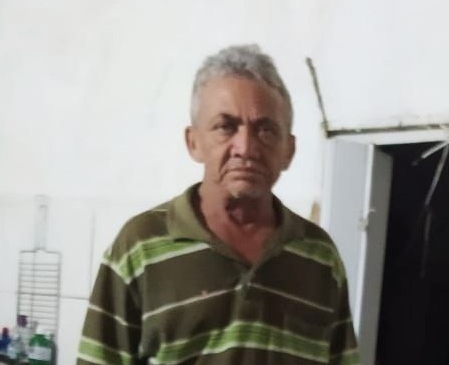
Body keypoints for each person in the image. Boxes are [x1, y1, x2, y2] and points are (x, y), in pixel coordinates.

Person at [77, 45, 360, 365]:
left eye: (266, 130)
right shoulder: (140, 246)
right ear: (193, 142)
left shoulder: (320, 257)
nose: (246, 147)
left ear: (288, 150)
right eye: (226, 127)